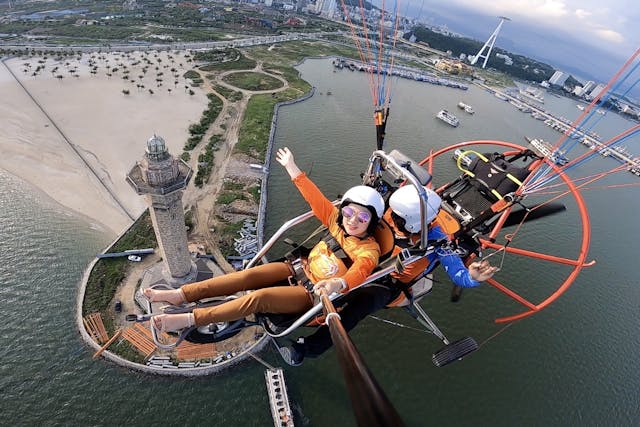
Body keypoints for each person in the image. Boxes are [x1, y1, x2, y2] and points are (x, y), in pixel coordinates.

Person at [145, 147, 385, 333]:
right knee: (246, 277)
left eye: (362, 217)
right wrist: (292, 167)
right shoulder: (336, 221)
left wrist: (338, 285)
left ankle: (188, 319)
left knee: (258, 299)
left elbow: (361, 272)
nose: (353, 220)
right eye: (349, 213)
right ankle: (182, 294)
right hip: (297, 267)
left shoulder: (368, 250)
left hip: (311, 294)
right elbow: (315, 199)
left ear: (372, 222)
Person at [279, 184, 497, 366]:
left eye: (399, 219)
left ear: (411, 221)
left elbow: (458, 274)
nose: (392, 219)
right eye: (393, 214)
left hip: (391, 283)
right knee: (328, 251)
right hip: (369, 260)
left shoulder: (438, 241)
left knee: (360, 304)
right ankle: (285, 282)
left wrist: (472, 278)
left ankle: (308, 348)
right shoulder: (393, 212)